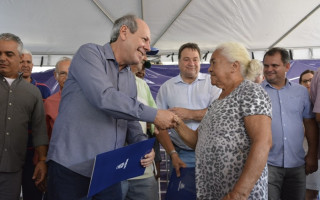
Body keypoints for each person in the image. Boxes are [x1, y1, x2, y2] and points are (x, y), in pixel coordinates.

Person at [46, 14, 177, 200]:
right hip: (71, 167)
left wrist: (142, 145)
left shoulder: (130, 80)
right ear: (124, 32)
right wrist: (154, 115)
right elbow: (104, 97)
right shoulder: (89, 54)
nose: (148, 47)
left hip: (108, 172)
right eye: (145, 39)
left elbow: (129, 119)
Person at [159, 41, 273, 199]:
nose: (210, 68)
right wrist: (176, 121)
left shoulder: (250, 91)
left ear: (234, 66)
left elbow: (262, 142)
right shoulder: (218, 101)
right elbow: (197, 140)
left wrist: (238, 194)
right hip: (215, 192)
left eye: (213, 62)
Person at [156, 42, 221, 177]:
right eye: (186, 59)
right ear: (179, 62)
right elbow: (158, 125)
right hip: (180, 154)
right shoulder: (167, 88)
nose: (191, 63)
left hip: (211, 153)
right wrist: (172, 153)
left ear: (200, 62)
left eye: (195, 59)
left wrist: (189, 114)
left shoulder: (213, 83)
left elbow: (218, 114)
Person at [262, 47, 318, 200]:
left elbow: (310, 124)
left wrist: (312, 154)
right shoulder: (257, 92)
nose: (269, 69)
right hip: (266, 165)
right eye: (266, 65)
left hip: (297, 165)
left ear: (287, 66)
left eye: (274, 65)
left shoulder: (301, 92)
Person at [0, 33, 48, 200]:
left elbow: (39, 130)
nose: (2, 58)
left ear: (20, 58)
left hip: (13, 171)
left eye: (8, 54)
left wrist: (42, 160)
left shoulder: (33, 92)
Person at [121, 59, 160, 200]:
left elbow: (155, 122)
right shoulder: (108, 83)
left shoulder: (143, 85)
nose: (143, 58)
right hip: (115, 168)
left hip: (143, 167)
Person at [20, 48, 52, 200]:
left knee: (33, 192)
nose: (25, 65)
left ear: (33, 65)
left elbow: (46, 122)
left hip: (35, 153)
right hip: (13, 152)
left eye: (28, 62)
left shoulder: (44, 89)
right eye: (21, 62)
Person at [44, 57, 71, 139]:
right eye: (63, 73)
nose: (67, 77)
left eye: (71, 73)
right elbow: (44, 136)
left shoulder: (88, 100)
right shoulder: (49, 103)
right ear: (56, 76)